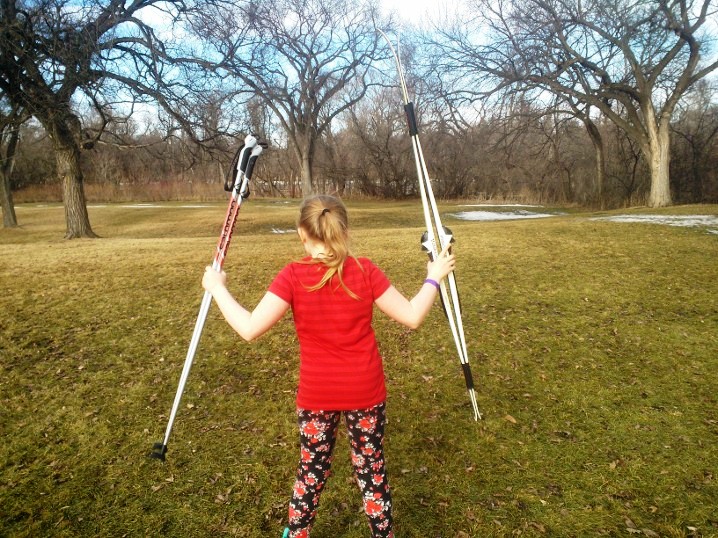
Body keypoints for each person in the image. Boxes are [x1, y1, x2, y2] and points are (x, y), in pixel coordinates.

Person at [202, 194, 456, 538]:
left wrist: (218, 289)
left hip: (317, 395)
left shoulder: (294, 275)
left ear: (301, 234)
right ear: (345, 231)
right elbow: (412, 316)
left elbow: (249, 328)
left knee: (312, 471)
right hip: (364, 391)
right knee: (371, 470)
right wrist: (433, 277)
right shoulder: (364, 270)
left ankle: (298, 533)